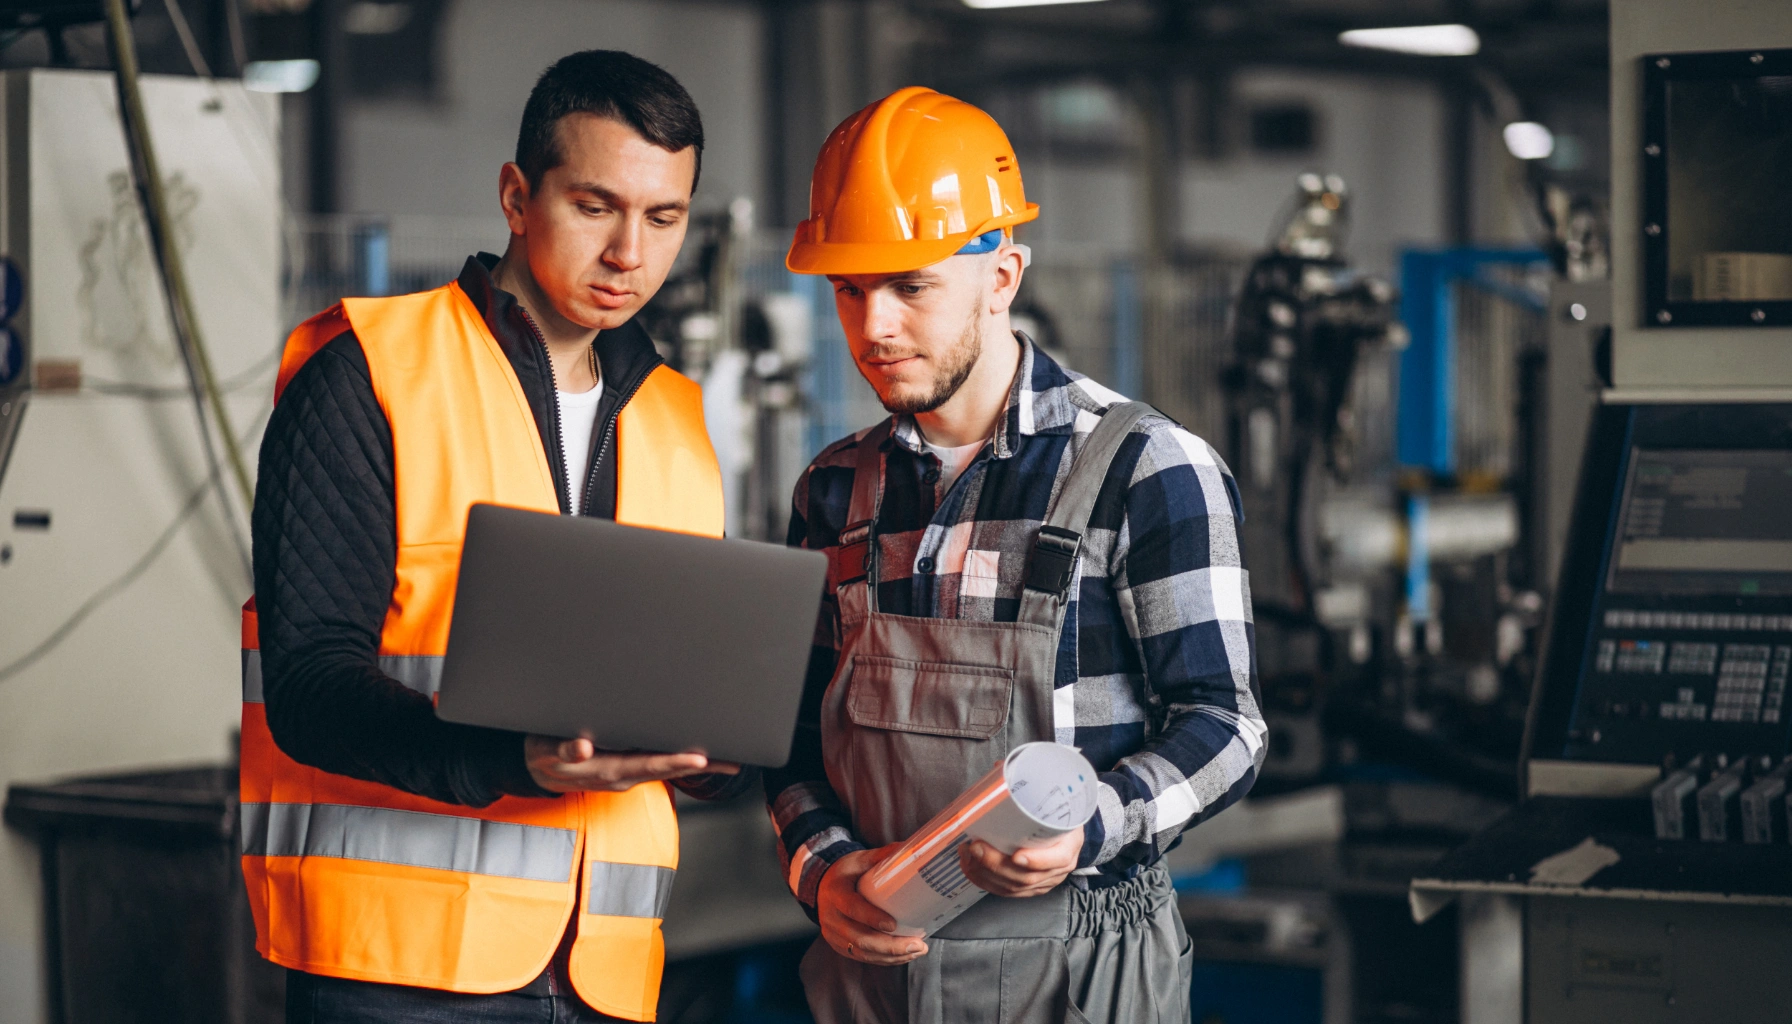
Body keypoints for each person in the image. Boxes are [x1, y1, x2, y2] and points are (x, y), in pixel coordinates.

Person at [245, 50, 749, 1024]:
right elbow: (306, 685)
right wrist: (513, 760)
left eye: (663, 218)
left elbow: (685, 679)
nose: (629, 256)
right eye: (596, 206)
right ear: (517, 196)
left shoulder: (675, 420)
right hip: (398, 973)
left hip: (604, 970)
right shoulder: (369, 376)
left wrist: (717, 746)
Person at [766, 87, 1267, 1024]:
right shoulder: (833, 492)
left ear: (1002, 276)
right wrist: (823, 870)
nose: (871, 327)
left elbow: (1226, 725)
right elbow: (794, 743)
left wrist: (1092, 825)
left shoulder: (1144, 468)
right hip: (872, 980)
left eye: (911, 286)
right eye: (848, 288)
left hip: (1080, 977)